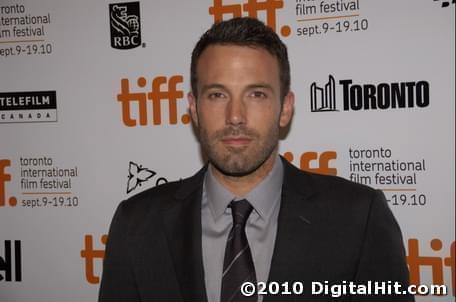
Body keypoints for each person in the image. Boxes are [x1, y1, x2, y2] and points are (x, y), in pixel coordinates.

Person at [99, 17, 413, 302]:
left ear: (286, 107)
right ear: (193, 108)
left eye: (257, 94)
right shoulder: (137, 224)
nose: (235, 116)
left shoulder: (359, 219)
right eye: (217, 94)